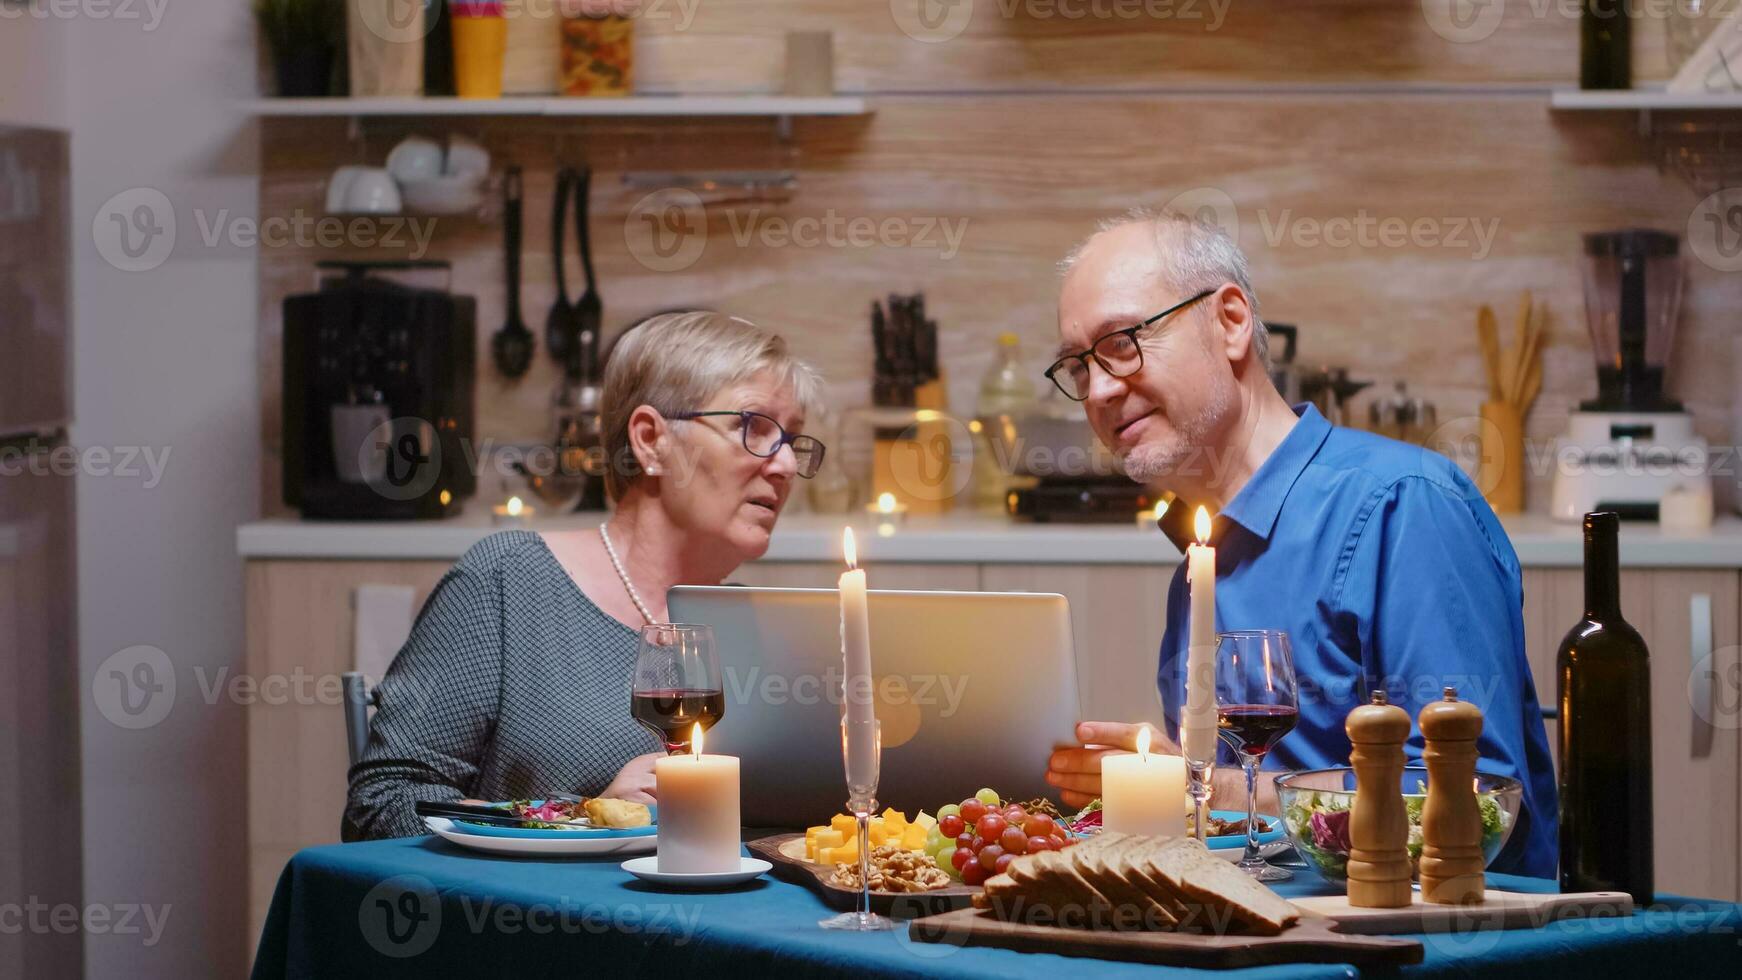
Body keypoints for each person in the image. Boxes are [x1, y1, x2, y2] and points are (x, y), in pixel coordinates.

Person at [1041, 209, 1558, 877]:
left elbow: (1480, 807)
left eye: (1122, 343)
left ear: (1231, 322)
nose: (1101, 390)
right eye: (1078, 368)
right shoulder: (1199, 567)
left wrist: (1222, 792)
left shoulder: (1402, 506)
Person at [345, 312, 824, 840]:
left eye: (793, 441)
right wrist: (585, 817)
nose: (783, 467)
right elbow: (383, 807)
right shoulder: (509, 582)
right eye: (753, 428)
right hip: (533, 919)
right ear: (650, 440)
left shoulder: (754, 628)